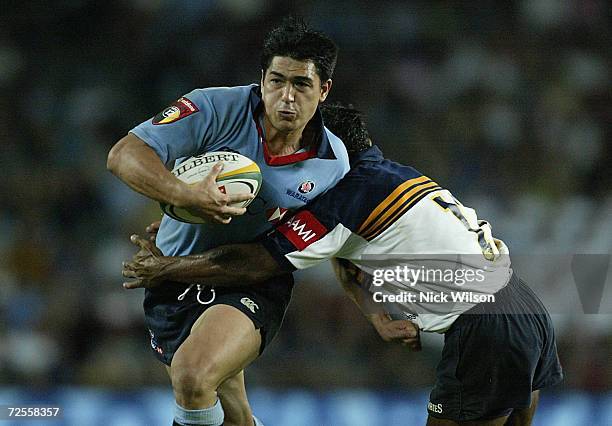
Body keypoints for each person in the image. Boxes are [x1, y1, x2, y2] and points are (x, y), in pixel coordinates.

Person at [122, 103, 563, 426]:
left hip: (485, 327)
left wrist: (168, 268)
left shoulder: (347, 196)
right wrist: (375, 315)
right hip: (524, 306)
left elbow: (260, 262)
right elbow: (347, 251)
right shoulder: (393, 175)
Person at [107, 17, 349, 426]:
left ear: (323, 91)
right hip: (171, 282)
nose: (286, 97)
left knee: (193, 375)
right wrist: (184, 196)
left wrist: (375, 312)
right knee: (233, 413)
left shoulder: (332, 165)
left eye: (301, 85)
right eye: (277, 81)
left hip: (250, 279)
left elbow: (323, 246)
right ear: (262, 79)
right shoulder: (215, 107)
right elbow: (123, 155)